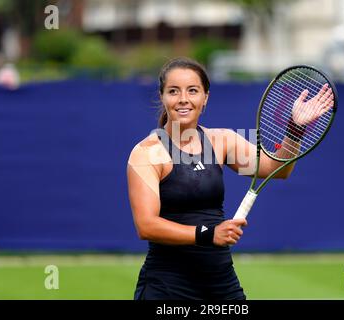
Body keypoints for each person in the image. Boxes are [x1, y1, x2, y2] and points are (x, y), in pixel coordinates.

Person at [127, 57, 332, 300]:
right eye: (173, 91)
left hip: (222, 285)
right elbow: (146, 225)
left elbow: (277, 168)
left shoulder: (222, 140)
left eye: (193, 91)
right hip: (167, 287)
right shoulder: (147, 152)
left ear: (205, 98)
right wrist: (208, 234)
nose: (183, 99)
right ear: (162, 97)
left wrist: (295, 128)